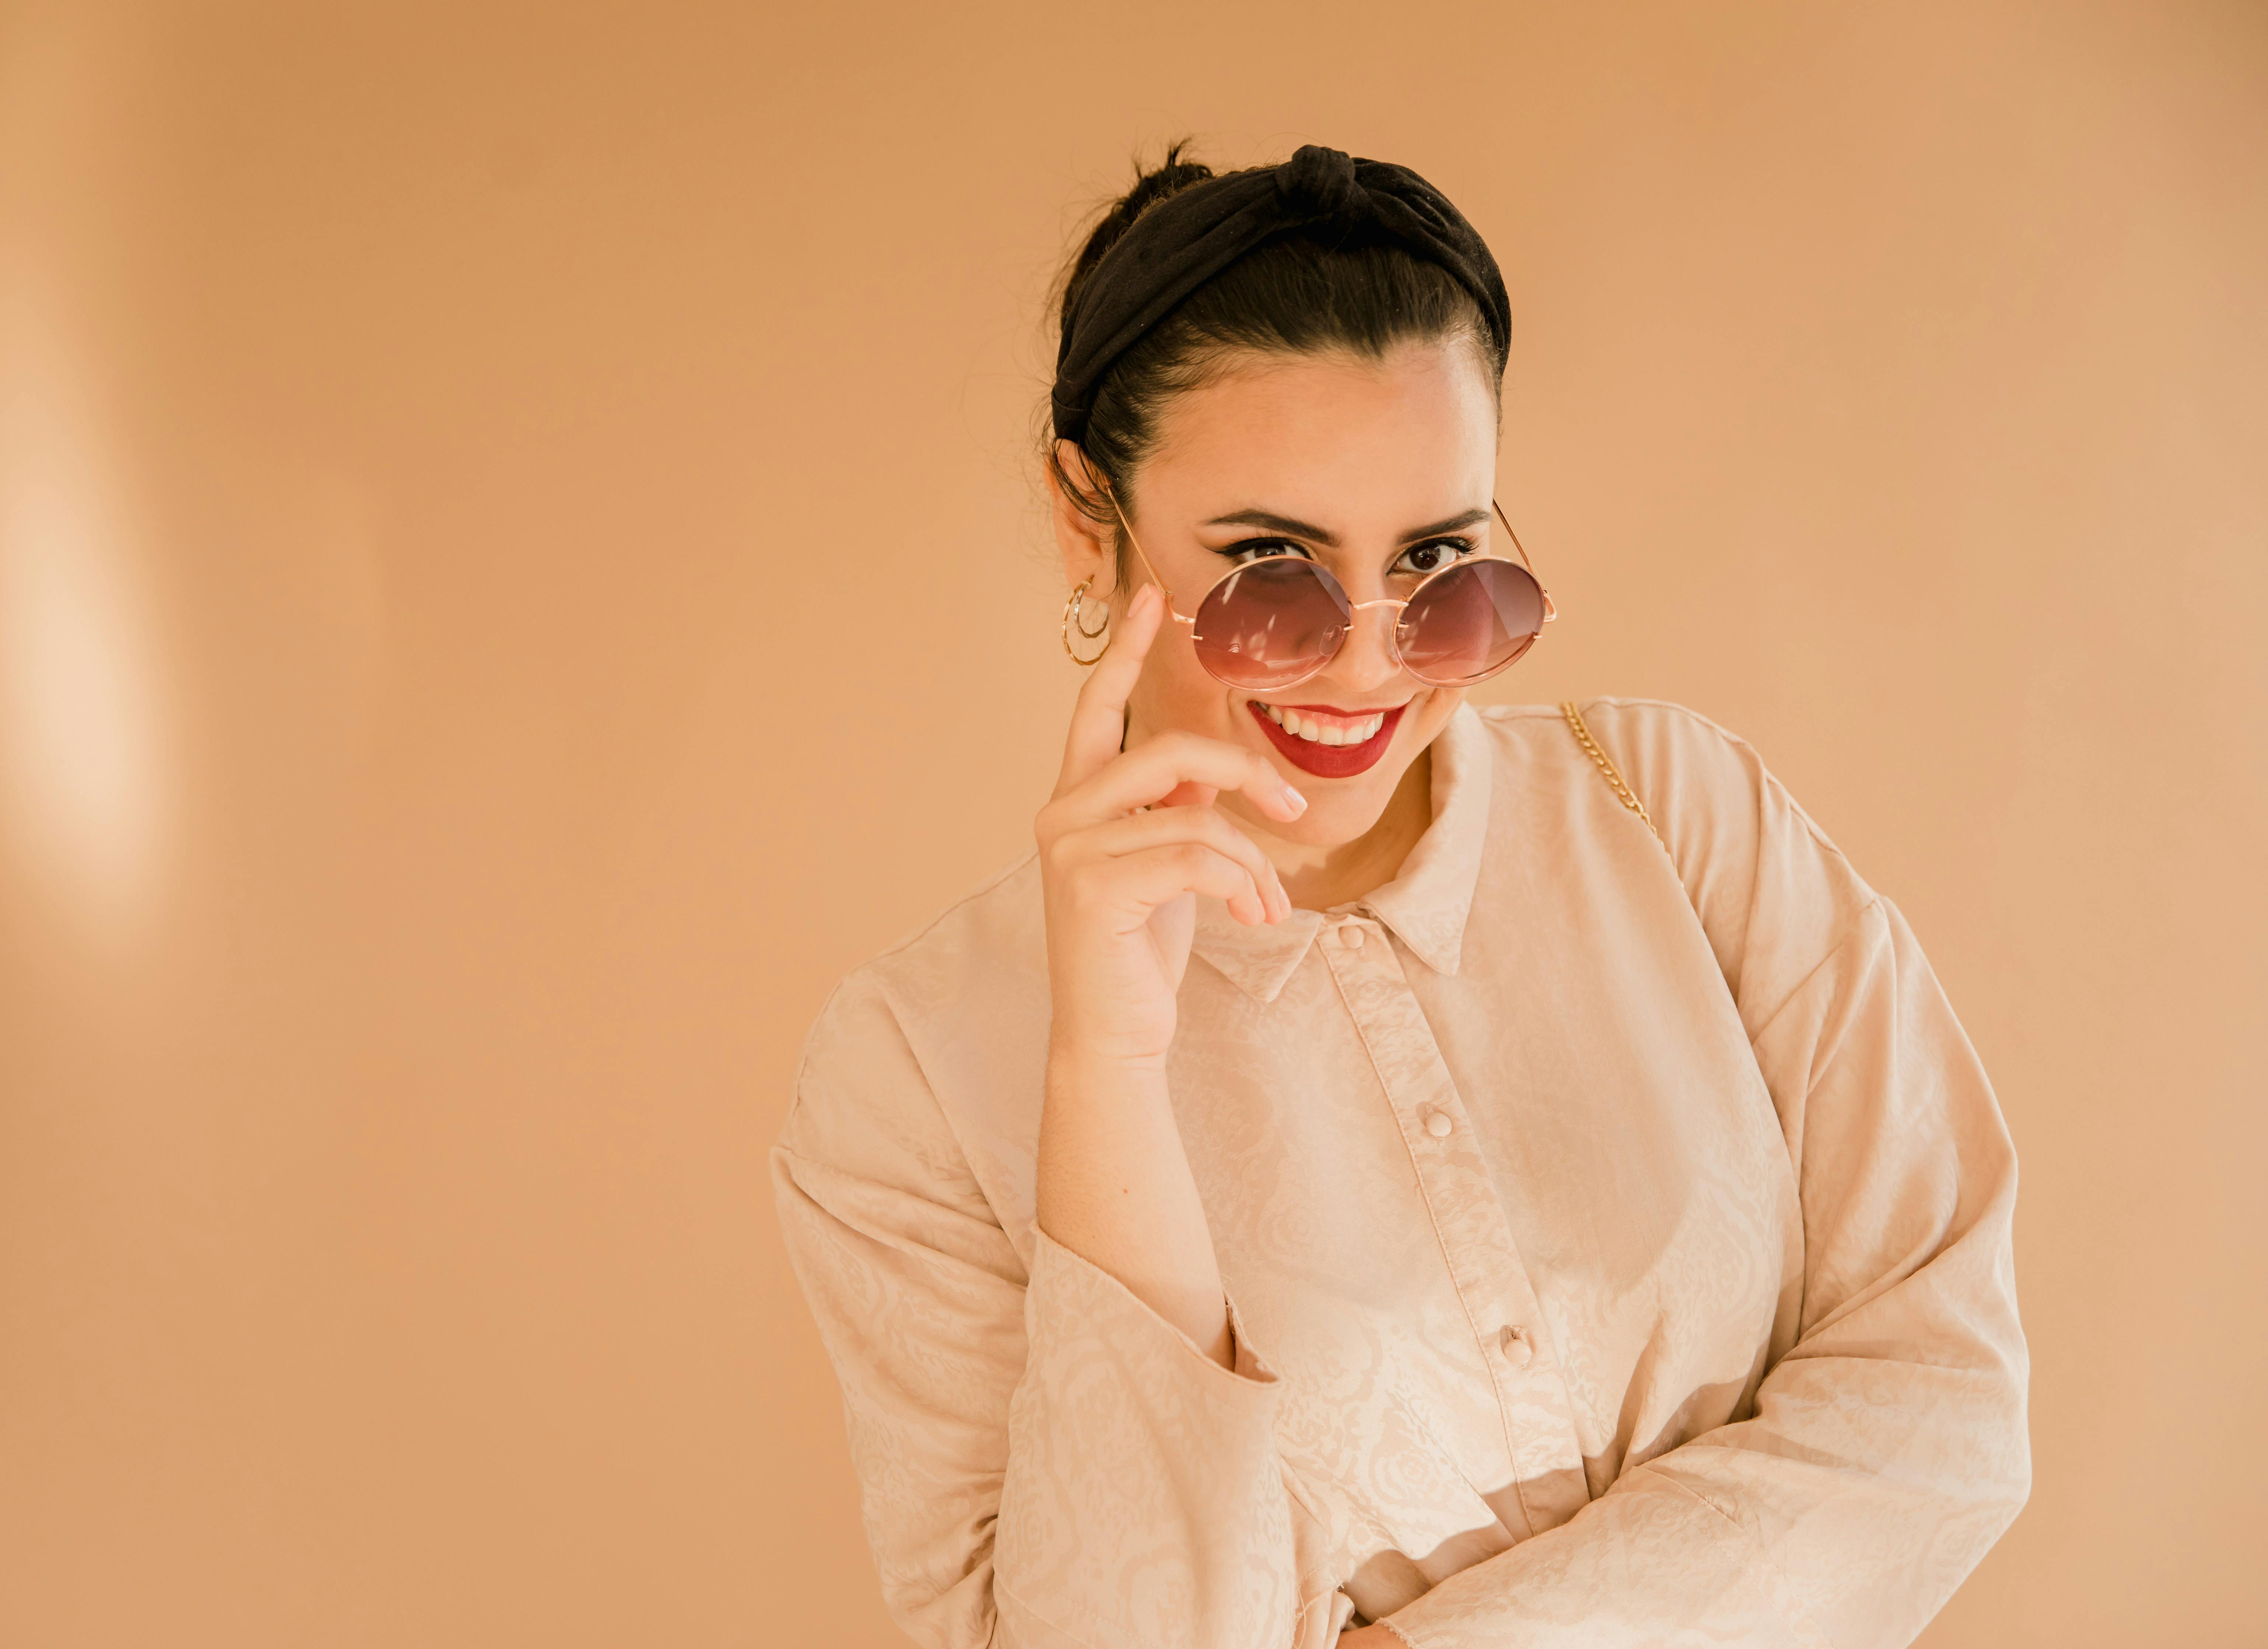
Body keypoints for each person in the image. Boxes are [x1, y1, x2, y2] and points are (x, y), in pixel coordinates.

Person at [770, 143, 2029, 1649]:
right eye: (1271, 572)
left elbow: (1947, 1397)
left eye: (1441, 566)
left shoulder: (1683, 820)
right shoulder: (908, 1073)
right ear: (1087, 518)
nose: (1372, 662)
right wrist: (1105, 1070)